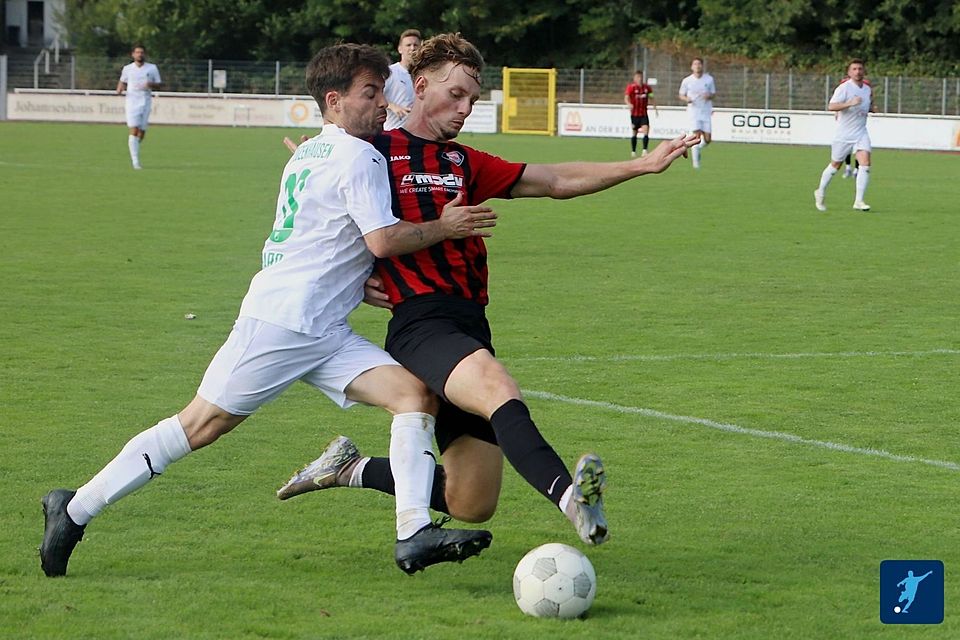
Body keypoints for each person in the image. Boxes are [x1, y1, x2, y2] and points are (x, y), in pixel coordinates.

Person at [38, 43, 500, 579]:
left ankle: (413, 532)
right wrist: (446, 226)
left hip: (322, 327)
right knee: (200, 425)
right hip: (283, 322)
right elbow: (381, 239)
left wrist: (360, 281)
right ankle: (73, 509)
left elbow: (331, 236)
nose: (382, 105)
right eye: (370, 95)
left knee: (413, 395)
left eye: (382, 93)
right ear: (334, 100)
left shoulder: (309, 152)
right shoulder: (360, 155)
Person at [277, 33, 700, 549]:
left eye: (473, 100)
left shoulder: (463, 162)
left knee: (471, 501)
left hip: (470, 322)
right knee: (498, 387)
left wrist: (640, 165)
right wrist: (358, 277)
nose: (465, 108)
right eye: (455, 95)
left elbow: (553, 179)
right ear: (421, 84)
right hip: (420, 324)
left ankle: (350, 468)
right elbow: (320, 221)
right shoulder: (370, 152)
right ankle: (575, 502)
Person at [814, 59, 875, 212]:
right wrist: (849, 103)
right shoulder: (844, 88)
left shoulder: (867, 89)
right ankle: (820, 191)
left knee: (865, 163)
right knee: (835, 165)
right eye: (854, 69)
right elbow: (831, 106)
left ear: (864, 71)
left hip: (861, 132)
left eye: (860, 68)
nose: (857, 71)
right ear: (849, 72)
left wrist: (871, 109)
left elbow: (867, 104)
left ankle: (859, 201)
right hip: (844, 134)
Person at [116, 45, 162, 170]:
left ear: (144, 54)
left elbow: (159, 84)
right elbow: (123, 81)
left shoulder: (152, 68)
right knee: (134, 130)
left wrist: (150, 84)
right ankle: (135, 162)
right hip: (131, 102)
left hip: (145, 102)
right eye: (137, 52)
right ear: (133, 54)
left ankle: (134, 146)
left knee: (141, 132)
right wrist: (120, 88)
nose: (139, 54)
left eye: (141, 52)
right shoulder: (128, 68)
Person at [678, 57, 716, 169]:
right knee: (696, 136)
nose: (697, 66)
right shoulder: (687, 80)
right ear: (691, 67)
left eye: (699, 64)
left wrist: (709, 96)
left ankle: (698, 148)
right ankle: (696, 164)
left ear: (702, 66)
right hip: (693, 112)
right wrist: (687, 99)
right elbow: (681, 95)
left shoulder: (709, 79)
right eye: (695, 64)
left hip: (705, 111)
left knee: (708, 139)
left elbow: (713, 94)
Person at [384, 29, 422, 131]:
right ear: (400, 49)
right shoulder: (390, 72)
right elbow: (375, 96)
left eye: (415, 45)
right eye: (408, 45)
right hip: (392, 131)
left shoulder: (424, 75)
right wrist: (393, 106)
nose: (412, 48)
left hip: (416, 134)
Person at [624, 70, 658, 157]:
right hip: (634, 114)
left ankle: (644, 150)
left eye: (641, 77)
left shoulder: (647, 88)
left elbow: (651, 97)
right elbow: (626, 97)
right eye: (638, 77)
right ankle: (633, 151)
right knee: (634, 132)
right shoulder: (631, 87)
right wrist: (628, 104)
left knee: (646, 130)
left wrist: (655, 107)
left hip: (643, 114)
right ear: (634, 78)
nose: (640, 79)